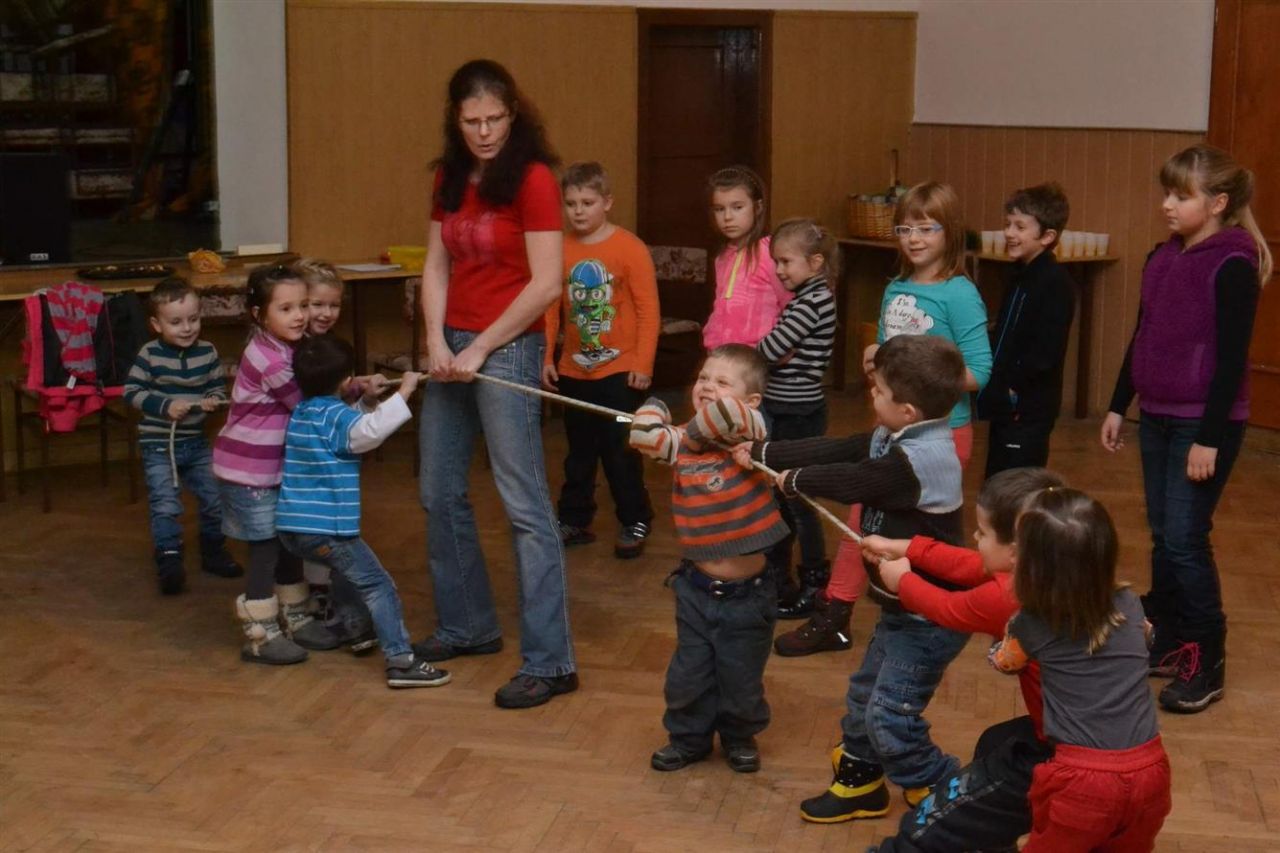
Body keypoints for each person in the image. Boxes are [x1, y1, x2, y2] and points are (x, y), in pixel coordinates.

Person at [742, 334, 970, 822]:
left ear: (907, 410)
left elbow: (857, 480)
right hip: (902, 608)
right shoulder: (898, 433)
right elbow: (841, 448)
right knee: (866, 696)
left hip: (931, 618)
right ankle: (860, 782)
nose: (872, 393)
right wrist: (767, 451)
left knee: (890, 713)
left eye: (879, 390)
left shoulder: (921, 458)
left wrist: (795, 480)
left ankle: (943, 785)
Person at [415, 59, 577, 709]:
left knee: (524, 503)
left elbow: (547, 283)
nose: (484, 132)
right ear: (455, 120)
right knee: (437, 490)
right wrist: (435, 340)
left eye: (495, 119)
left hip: (508, 346)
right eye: (472, 121)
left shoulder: (533, 179)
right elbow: (435, 266)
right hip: (451, 342)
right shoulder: (450, 176)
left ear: (514, 114)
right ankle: (469, 625)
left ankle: (552, 661)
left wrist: (482, 346)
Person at [776, 182, 991, 657]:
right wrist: (876, 354)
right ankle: (836, 615)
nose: (914, 239)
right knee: (861, 523)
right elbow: (891, 354)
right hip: (889, 431)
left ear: (950, 232)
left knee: (921, 536)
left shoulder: (959, 294)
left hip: (939, 436)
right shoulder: (896, 287)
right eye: (905, 229)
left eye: (926, 228)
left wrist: (919, 377)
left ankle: (930, 618)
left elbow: (979, 371)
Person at [1101, 144, 1269, 713]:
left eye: (1181, 195)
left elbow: (1231, 361)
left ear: (1218, 203)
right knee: (1163, 533)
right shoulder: (1162, 257)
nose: (1167, 204)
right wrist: (1118, 405)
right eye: (1166, 193)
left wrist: (1209, 438)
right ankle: (1170, 638)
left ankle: (1208, 655)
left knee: (1185, 538)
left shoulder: (1233, 264)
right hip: (1157, 415)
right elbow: (1142, 335)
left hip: (1204, 421)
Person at [860, 467, 1065, 852]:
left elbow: (947, 608)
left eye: (983, 533)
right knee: (996, 743)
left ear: (1015, 552)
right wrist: (905, 548)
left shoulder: (1012, 595)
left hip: (1067, 755)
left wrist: (902, 580)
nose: (975, 537)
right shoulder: (1054, 570)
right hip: (1075, 741)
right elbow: (971, 566)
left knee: (925, 831)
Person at [629, 344, 789, 774]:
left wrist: (683, 434)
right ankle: (688, 739)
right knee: (688, 675)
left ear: (753, 399)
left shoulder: (752, 431)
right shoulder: (683, 441)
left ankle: (739, 735)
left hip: (749, 596)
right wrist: (656, 405)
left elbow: (727, 415)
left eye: (721, 381)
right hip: (696, 589)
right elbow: (643, 438)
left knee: (741, 678)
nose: (707, 386)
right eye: (702, 378)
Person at [989, 488, 1172, 851]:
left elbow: (1006, 662)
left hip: (1083, 782)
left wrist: (1002, 641)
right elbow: (1146, 638)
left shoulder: (1032, 623)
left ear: (1031, 567)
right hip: (1151, 770)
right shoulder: (1129, 602)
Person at [277, 335, 450, 689]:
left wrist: (369, 400)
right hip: (328, 530)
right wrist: (405, 392)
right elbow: (366, 433)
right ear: (346, 381)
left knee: (348, 571)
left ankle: (356, 628)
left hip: (293, 529)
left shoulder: (303, 413)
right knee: (377, 585)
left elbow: (346, 431)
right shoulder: (336, 416)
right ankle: (401, 662)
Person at [214, 264, 339, 665]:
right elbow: (306, 404)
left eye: (302, 305)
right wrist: (351, 394)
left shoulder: (289, 347)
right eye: (286, 309)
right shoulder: (268, 358)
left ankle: (296, 616)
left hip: (276, 469)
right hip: (249, 472)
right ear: (259, 314)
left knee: (288, 541)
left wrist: (352, 387)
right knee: (266, 548)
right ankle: (260, 633)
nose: (300, 316)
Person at [542, 161, 658, 558]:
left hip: (621, 373)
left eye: (587, 202)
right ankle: (574, 518)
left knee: (621, 447)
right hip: (574, 371)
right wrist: (547, 356)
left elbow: (648, 311)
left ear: (607, 202)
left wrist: (642, 365)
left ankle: (635, 518)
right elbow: (550, 309)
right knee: (579, 451)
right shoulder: (560, 248)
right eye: (570, 203)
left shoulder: (630, 248)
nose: (578, 211)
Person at [124, 277, 241, 594]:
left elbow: (216, 388)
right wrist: (165, 406)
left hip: (196, 443)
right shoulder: (149, 354)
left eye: (193, 319)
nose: (187, 328)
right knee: (165, 503)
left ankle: (213, 552)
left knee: (215, 498)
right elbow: (131, 392)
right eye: (176, 322)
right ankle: (169, 559)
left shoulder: (208, 351)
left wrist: (213, 400)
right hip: (159, 446)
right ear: (156, 325)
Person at [293, 257, 380, 655]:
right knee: (315, 531)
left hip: (328, 457)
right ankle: (320, 603)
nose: (326, 313)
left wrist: (358, 391)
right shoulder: (295, 350)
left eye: (333, 305)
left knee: (333, 531)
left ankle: (337, 607)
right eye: (317, 304)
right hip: (305, 457)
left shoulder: (329, 349)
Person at [755, 218, 838, 617]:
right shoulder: (807, 298)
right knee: (781, 498)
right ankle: (780, 580)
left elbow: (769, 350)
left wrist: (761, 352)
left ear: (815, 262)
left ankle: (813, 583)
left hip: (798, 413)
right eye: (776, 262)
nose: (779, 270)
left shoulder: (811, 302)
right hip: (787, 408)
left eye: (786, 261)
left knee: (797, 500)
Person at [977, 183, 1075, 479]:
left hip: (1028, 405)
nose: (1009, 233)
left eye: (1020, 227)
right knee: (997, 479)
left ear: (1047, 236)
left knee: (1018, 484)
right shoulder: (1019, 274)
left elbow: (1046, 352)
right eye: (1008, 224)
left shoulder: (1055, 281)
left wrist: (1012, 386)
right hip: (1006, 403)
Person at [701, 165, 792, 350]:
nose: (727, 217)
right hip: (724, 356)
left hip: (761, 356)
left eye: (737, 207)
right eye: (719, 209)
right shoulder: (722, 257)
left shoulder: (771, 252)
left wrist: (781, 351)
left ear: (757, 207)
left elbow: (791, 304)